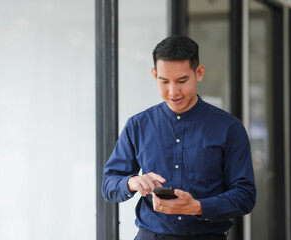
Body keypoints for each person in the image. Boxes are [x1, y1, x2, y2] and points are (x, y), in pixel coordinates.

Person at [101, 35, 256, 240]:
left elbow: (245, 196)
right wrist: (133, 182)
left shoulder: (230, 128)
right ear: (154, 74)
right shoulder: (138, 125)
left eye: (182, 81)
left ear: (198, 73)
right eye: (164, 81)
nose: (173, 92)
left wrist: (197, 207)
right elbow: (109, 184)